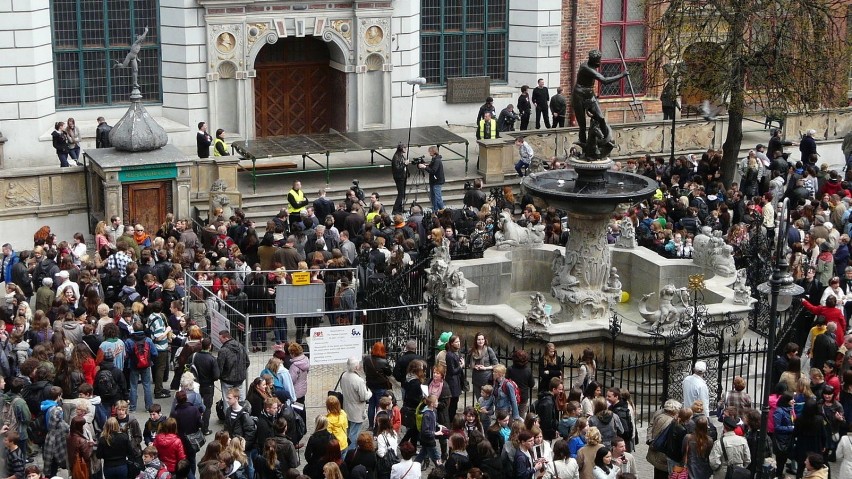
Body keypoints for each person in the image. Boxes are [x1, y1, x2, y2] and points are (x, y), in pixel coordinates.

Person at [570, 51, 627, 151]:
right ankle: (584, 147)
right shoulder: (586, 68)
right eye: (598, 61)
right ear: (593, 61)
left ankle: (607, 139)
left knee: (601, 117)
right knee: (582, 125)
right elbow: (604, 81)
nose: (599, 62)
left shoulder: (591, 66)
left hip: (590, 94)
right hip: (579, 96)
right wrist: (622, 75)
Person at [126, 321, 157, 412]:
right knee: (147, 385)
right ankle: (149, 407)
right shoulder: (148, 340)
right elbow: (155, 353)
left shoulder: (129, 341)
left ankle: (132, 407)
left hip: (133, 365)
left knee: (133, 386)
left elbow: (126, 354)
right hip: (146, 365)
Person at [218, 330, 250, 402]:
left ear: (225, 338)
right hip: (240, 379)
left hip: (227, 379)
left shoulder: (223, 350)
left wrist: (220, 376)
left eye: (220, 339)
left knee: (228, 400)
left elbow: (220, 366)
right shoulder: (241, 346)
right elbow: (247, 362)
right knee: (241, 400)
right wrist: (241, 371)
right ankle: (241, 412)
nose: (220, 341)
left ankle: (228, 413)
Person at [418, 146, 445, 211]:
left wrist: (424, 167)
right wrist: (426, 165)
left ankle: (443, 210)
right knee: (433, 197)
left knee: (438, 197)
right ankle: (435, 210)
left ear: (433, 151)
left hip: (437, 181)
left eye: (430, 151)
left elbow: (433, 170)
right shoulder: (434, 159)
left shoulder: (437, 160)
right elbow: (432, 167)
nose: (429, 152)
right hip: (433, 181)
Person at [391, 144, 409, 215]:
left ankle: (400, 208)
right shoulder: (396, 157)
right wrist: (404, 164)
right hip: (399, 177)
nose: (406, 149)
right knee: (400, 193)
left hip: (403, 176)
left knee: (403, 193)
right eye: (405, 148)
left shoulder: (401, 155)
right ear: (401, 149)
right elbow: (397, 168)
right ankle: (395, 209)